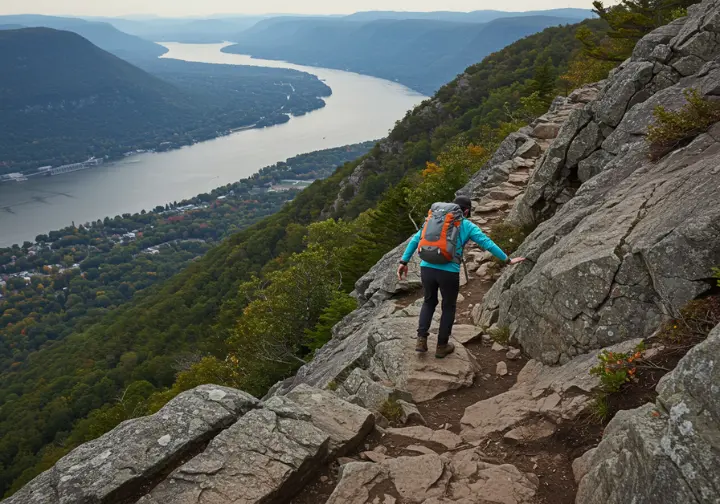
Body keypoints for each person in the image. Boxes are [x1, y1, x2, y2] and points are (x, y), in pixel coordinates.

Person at [396, 195, 525, 358]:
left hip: (426, 268)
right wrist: (507, 259)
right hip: (449, 272)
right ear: (465, 211)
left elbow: (416, 239)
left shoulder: (434, 220)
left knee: (429, 302)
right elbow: (487, 243)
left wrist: (404, 261)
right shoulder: (466, 225)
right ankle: (442, 346)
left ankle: (421, 341)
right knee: (448, 306)